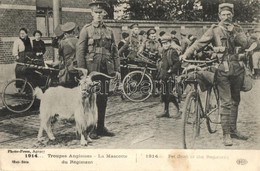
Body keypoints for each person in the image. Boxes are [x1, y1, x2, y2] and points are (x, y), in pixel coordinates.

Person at [181, 3, 249, 146]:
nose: (226, 17)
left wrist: (234, 33)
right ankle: (226, 135)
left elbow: (245, 44)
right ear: (219, 16)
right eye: (223, 15)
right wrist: (186, 54)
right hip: (222, 70)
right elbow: (199, 44)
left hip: (237, 69)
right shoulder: (214, 30)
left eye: (228, 14)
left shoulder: (238, 29)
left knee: (236, 100)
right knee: (226, 102)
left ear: (232, 15)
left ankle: (233, 130)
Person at [76, 0, 120, 138]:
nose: (99, 15)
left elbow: (115, 52)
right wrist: (83, 73)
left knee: (103, 99)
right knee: (91, 100)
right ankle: (91, 128)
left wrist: (117, 69)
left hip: (105, 71)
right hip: (91, 71)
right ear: (92, 13)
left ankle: (101, 127)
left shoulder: (109, 31)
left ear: (104, 14)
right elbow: (80, 51)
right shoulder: (86, 29)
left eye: (101, 13)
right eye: (96, 12)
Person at [156, 34, 181, 118]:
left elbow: (177, 63)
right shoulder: (163, 51)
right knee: (164, 95)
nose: (165, 45)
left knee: (170, 94)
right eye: (163, 44)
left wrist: (171, 70)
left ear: (170, 43)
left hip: (170, 76)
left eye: (167, 43)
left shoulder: (173, 51)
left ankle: (179, 110)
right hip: (164, 76)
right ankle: (166, 111)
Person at [58, 22, 79, 88]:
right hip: (78, 67)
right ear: (73, 32)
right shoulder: (79, 41)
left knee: (68, 87)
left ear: (65, 33)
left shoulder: (62, 42)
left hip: (68, 68)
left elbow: (60, 54)